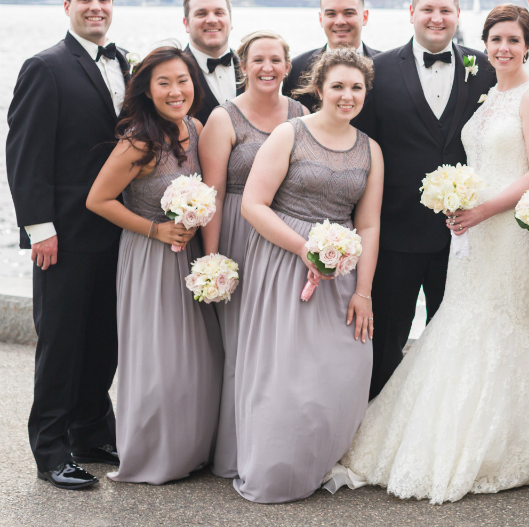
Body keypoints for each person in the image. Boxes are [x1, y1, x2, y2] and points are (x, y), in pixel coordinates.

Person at [329, 4, 529, 503]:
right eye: (495, 39)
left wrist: (484, 209)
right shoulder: (490, 91)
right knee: (457, 319)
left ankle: (495, 440)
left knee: (499, 323)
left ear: (527, 45)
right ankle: (430, 430)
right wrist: (458, 202)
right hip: (470, 232)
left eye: (513, 41)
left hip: (507, 229)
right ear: (485, 42)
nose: (503, 48)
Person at [232, 48, 382, 503]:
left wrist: (364, 292)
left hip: (342, 265)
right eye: (338, 85)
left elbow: (370, 224)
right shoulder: (288, 134)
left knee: (345, 365)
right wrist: (306, 249)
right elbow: (252, 205)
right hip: (283, 258)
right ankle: (277, 467)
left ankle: (319, 457)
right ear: (319, 89)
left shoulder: (370, 149)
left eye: (356, 87)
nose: (347, 95)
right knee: (285, 369)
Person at [7, 0, 130, 490]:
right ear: (67, 6)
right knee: (60, 345)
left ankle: (90, 431)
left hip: (117, 233)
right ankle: (51, 450)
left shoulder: (124, 61)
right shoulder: (46, 66)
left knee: (105, 340)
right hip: (65, 236)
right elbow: (24, 155)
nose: (95, 6)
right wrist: (40, 230)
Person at [86, 46, 223, 484]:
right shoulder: (139, 141)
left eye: (182, 80)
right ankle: (151, 455)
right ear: (147, 89)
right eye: (163, 82)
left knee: (197, 358)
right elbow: (98, 200)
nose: (175, 90)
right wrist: (155, 229)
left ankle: (192, 449)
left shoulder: (197, 129)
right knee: (159, 360)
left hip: (191, 257)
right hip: (149, 256)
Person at [354, 0, 497, 398]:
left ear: (458, 15)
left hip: (465, 235)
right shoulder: (376, 70)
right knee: (385, 340)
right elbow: (363, 148)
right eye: (428, 10)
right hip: (395, 233)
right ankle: (373, 421)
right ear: (411, 12)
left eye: (446, 11)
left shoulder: (484, 67)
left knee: (453, 341)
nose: (437, 18)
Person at [197, 31, 308, 479]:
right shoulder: (224, 118)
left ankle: (273, 445)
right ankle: (233, 453)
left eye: (276, 60)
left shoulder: (301, 113)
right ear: (244, 65)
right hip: (236, 234)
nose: (267, 67)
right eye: (258, 59)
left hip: (280, 235)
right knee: (240, 347)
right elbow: (214, 192)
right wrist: (212, 259)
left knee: (274, 346)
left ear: (286, 67)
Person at [283, 0, 380, 99]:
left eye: (349, 13)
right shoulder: (296, 69)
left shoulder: (386, 67)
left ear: (365, 17)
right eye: (331, 14)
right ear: (321, 19)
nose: (339, 21)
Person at [182, 0, 245, 124]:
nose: (211, 20)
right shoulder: (172, 70)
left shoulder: (252, 67)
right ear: (186, 24)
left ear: (230, 21)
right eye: (201, 13)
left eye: (219, 13)